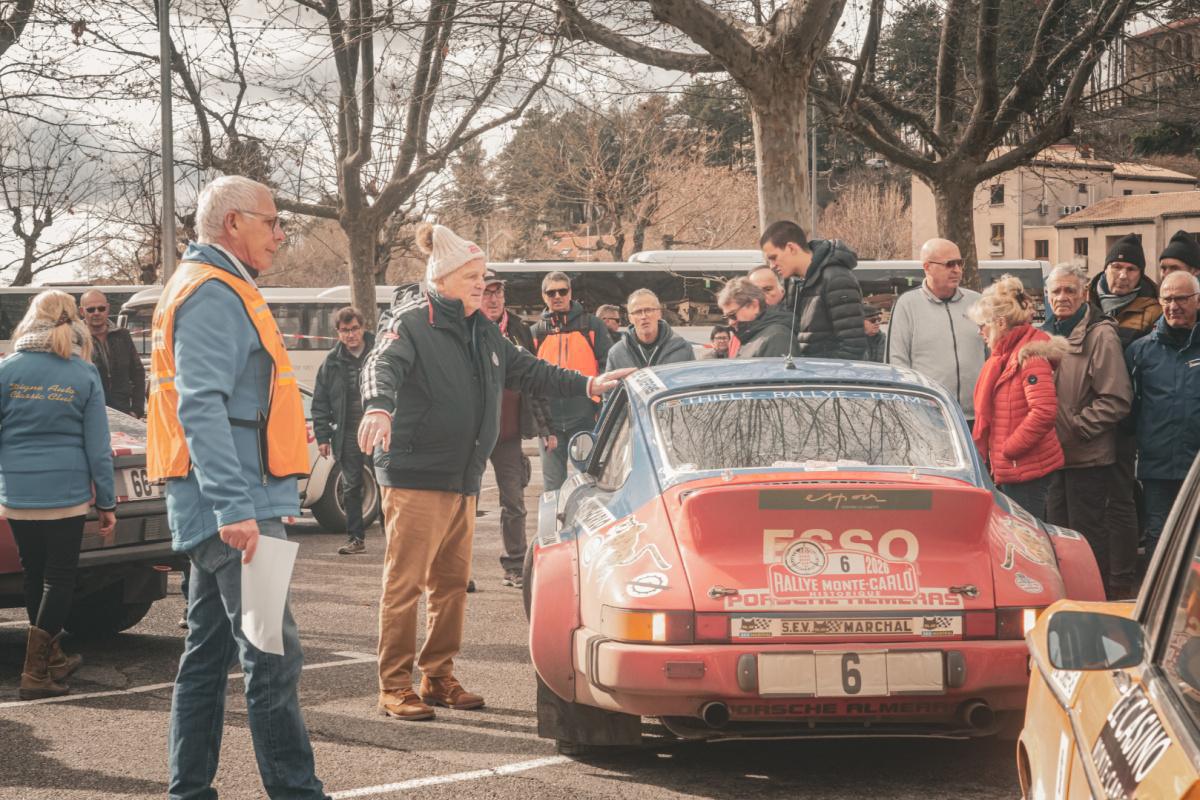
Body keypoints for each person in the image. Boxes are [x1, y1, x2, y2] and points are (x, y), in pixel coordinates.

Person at [358, 223, 632, 722]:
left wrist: (590, 385)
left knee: (450, 585)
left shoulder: (483, 328)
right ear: (442, 278)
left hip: (462, 476)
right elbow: (381, 363)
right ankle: (394, 684)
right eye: (472, 277)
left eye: (483, 276)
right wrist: (378, 406)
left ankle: (437, 676)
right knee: (405, 585)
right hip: (416, 474)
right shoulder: (411, 321)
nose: (481, 285)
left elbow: (530, 370)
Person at [148, 176, 330, 800]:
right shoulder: (214, 293)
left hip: (229, 505)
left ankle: (189, 789)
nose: (280, 234)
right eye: (272, 221)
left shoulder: (209, 286)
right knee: (272, 654)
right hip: (236, 508)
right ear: (233, 224)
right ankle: (296, 792)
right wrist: (235, 507)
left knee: (208, 655)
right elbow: (202, 407)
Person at [0, 290, 116, 700]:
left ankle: (52, 659)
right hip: (65, 491)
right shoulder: (82, 372)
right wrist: (106, 501)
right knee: (59, 576)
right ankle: (35, 673)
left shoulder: (7, 369)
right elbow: (98, 447)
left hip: (17, 490)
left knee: (34, 573)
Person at [1040, 264, 1135, 598]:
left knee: (1087, 539)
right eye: (1056, 291)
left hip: (1087, 457)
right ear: (1047, 295)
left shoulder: (1100, 334)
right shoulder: (1044, 335)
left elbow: (1117, 399)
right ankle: (1065, 603)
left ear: (1084, 294)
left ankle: (1094, 605)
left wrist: (1075, 428)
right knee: (1056, 539)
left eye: (1070, 290)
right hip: (1053, 458)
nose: (1062, 297)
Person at [1088, 233, 1162, 576]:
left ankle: (1121, 575)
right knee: (1088, 498)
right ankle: (1092, 570)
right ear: (1105, 268)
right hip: (1085, 417)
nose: (1122, 275)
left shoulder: (1153, 311)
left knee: (1120, 496)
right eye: (1116, 267)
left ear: (1140, 274)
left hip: (1124, 419)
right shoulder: (1084, 301)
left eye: (1131, 269)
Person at [479, 269, 555, 589]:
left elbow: (535, 381)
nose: (493, 299)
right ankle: (454, 570)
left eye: (498, 292)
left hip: (508, 434)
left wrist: (546, 427)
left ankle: (515, 565)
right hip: (472, 434)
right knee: (462, 504)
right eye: (487, 292)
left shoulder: (520, 330)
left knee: (514, 502)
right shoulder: (467, 328)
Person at [969, 276, 1066, 520]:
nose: (980, 331)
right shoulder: (1005, 356)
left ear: (1000, 323)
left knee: (1027, 535)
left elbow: (1043, 412)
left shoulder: (1029, 356)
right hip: (1014, 468)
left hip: (1024, 470)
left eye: (983, 324)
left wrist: (1008, 449)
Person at [1125, 270, 1200, 561]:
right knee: (1159, 537)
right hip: (1157, 467)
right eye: (1167, 299)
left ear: (1197, 300)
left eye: (1181, 298)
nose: (1173, 306)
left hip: (1196, 466)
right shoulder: (1140, 351)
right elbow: (1130, 407)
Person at [886, 238, 986, 426]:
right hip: (928, 417)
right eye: (950, 264)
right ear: (927, 267)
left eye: (960, 263)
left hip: (977, 417)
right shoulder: (907, 305)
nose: (957, 270)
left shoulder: (978, 302)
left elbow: (993, 354)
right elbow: (897, 363)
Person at [531, 271, 612, 492]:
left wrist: (600, 408)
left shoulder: (592, 326)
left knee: (591, 483)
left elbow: (607, 366)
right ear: (544, 296)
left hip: (585, 419)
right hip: (550, 424)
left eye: (562, 291)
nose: (557, 296)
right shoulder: (536, 333)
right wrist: (538, 421)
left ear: (570, 293)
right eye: (551, 292)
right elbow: (529, 380)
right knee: (553, 487)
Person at [312, 306, 375, 555]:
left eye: (355, 329)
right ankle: (356, 538)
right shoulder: (331, 362)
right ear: (338, 333)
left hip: (378, 429)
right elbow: (320, 402)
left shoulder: (379, 352)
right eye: (345, 330)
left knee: (386, 483)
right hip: (348, 432)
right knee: (351, 486)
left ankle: (395, 537)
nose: (351, 335)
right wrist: (323, 437)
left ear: (363, 328)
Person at [759, 220, 865, 359]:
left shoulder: (836, 278)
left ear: (791, 248)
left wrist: (816, 370)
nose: (772, 266)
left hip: (826, 372)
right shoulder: (793, 282)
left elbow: (853, 347)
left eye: (773, 258)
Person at [79, 289, 145, 418]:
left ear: (107, 308)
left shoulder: (123, 335)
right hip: (89, 413)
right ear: (82, 311)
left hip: (123, 412)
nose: (96, 313)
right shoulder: (75, 338)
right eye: (91, 309)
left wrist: (137, 410)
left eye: (101, 308)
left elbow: (137, 373)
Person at [605, 289, 695, 371]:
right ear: (630, 318)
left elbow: (693, 382)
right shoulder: (617, 354)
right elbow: (610, 384)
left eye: (648, 310)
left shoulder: (683, 349)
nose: (644, 316)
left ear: (659, 313)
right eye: (638, 312)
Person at [718, 278, 795, 358]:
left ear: (754, 305)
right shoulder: (753, 336)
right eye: (726, 317)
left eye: (732, 315)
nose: (730, 322)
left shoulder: (777, 337)